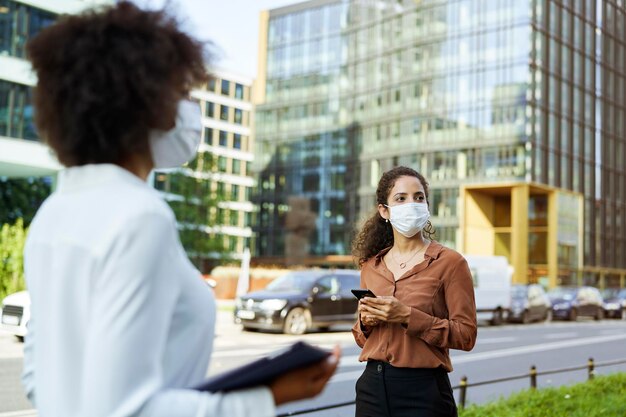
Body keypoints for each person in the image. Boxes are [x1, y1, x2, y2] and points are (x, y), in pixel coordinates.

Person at [21, 3, 339, 417]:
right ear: (143, 102)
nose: (190, 108)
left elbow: (37, 379)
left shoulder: (53, 212)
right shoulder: (139, 217)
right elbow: (126, 410)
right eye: (183, 92)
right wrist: (269, 396)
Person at [351, 166, 477, 417]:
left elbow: (466, 335)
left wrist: (407, 316)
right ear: (384, 211)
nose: (412, 203)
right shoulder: (370, 266)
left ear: (427, 206)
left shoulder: (451, 263)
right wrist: (365, 323)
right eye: (401, 198)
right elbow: (362, 339)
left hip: (424, 391)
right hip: (372, 389)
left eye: (419, 197)